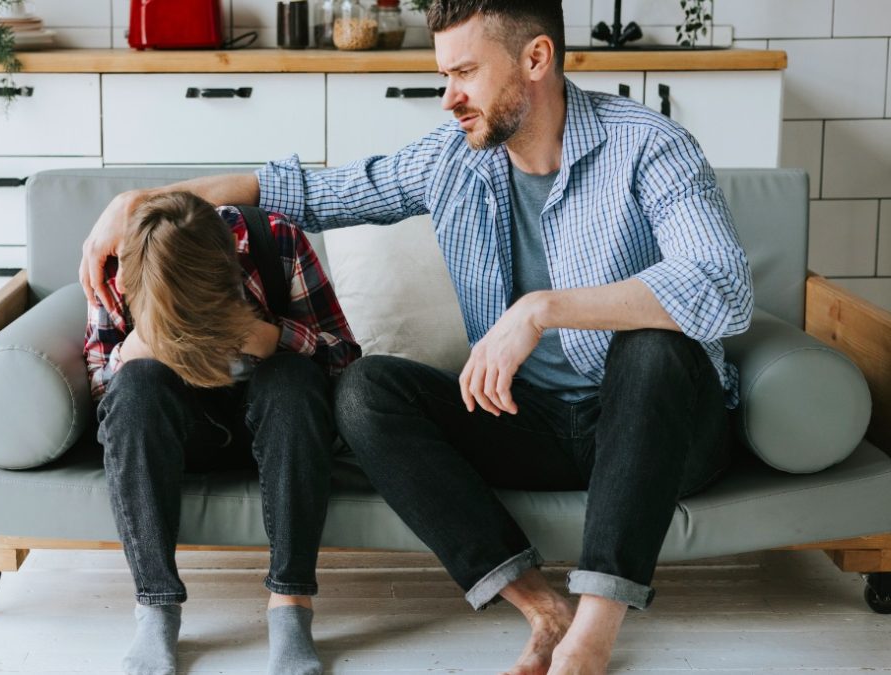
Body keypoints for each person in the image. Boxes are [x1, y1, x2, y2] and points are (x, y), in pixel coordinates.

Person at [80, 1, 753, 672]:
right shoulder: (454, 158)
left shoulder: (649, 144)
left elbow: (721, 285)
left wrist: (542, 309)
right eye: (442, 75)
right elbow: (310, 193)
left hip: (661, 428)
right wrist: (138, 203)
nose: (447, 98)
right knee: (366, 391)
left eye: (464, 72)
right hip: (533, 421)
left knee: (653, 346)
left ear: (536, 59)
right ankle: (542, 607)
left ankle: (592, 637)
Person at [85, 191, 360, 675]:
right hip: (182, 435)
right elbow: (102, 398)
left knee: (293, 379)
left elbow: (346, 362)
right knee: (134, 386)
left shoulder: (276, 243)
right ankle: (156, 609)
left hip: (276, 432)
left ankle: (291, 607)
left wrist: (278, 339)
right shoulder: (116, 267)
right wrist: (132, 351)